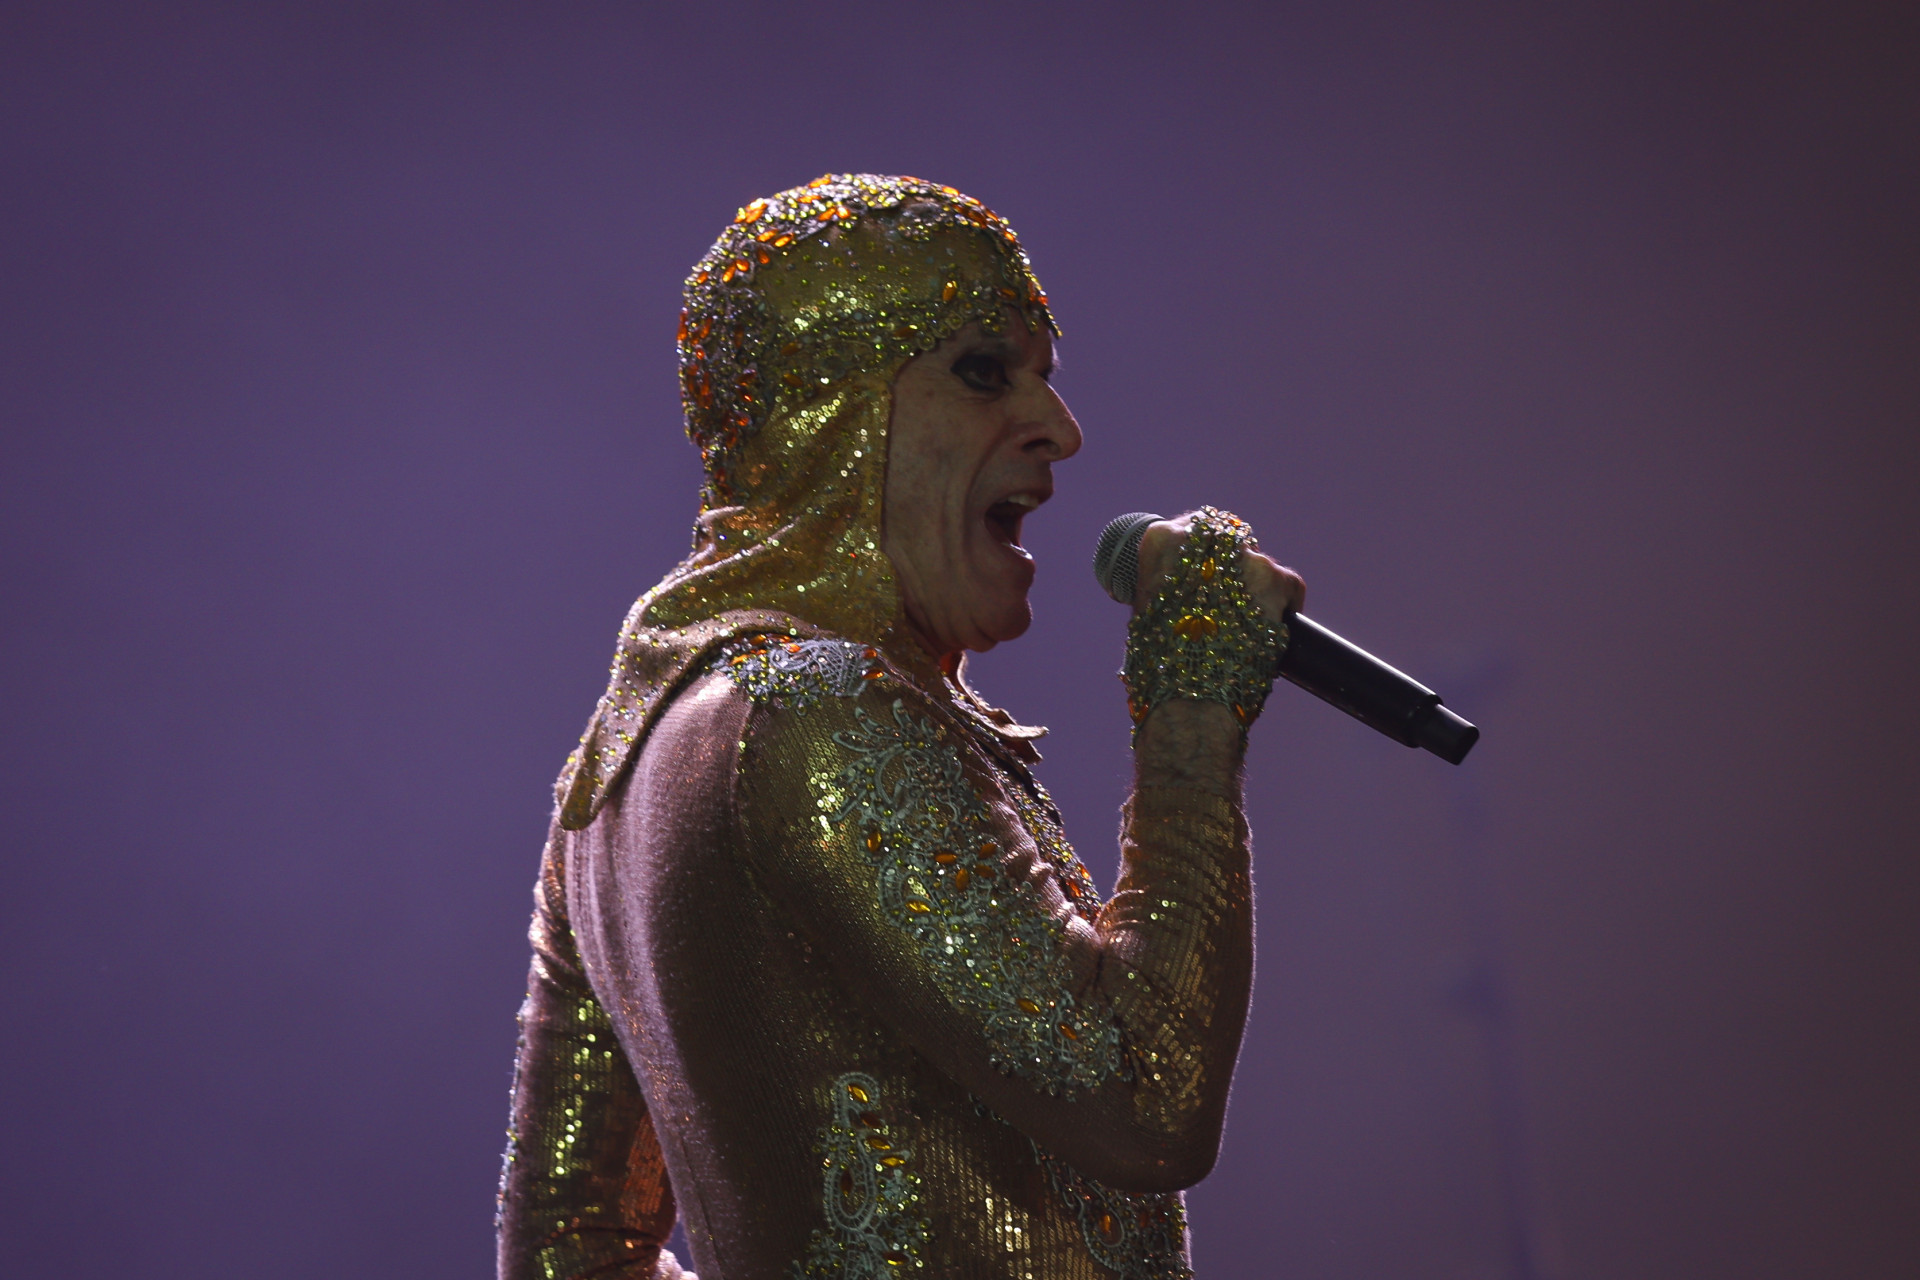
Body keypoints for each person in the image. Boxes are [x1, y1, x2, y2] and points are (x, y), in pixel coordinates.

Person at [495, 174, 1304, 1280]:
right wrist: (1194, 699)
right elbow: (1143, 1096)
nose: (1061, 431)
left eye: (1045, 377)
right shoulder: (817, 710)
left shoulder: (622, 757)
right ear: (828, 410)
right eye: (983, 371)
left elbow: (566, 1252)